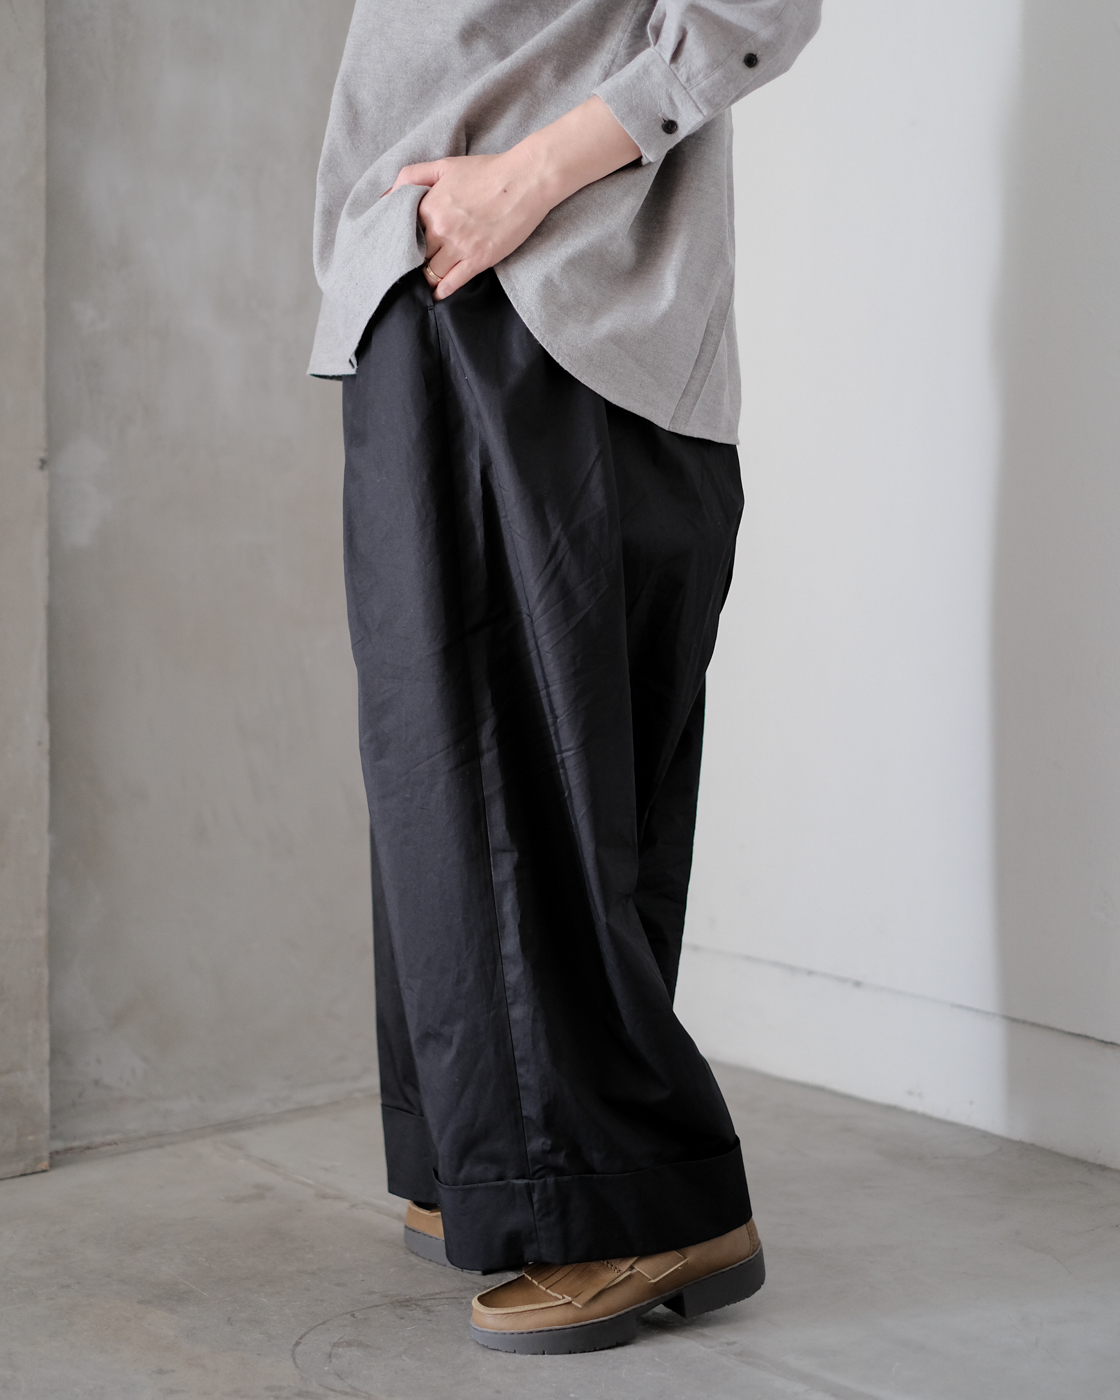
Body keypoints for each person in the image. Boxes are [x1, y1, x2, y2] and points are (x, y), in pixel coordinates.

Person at [310, 0, 822, 1355]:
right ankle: (498, 1166)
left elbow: (758, 11)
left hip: (543, 292)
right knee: (450, 771)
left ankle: (631, 1203)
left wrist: (524, 181)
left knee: (517, 784)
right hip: (431, 280)